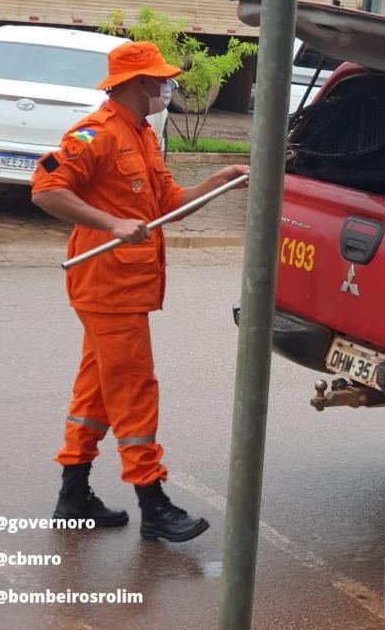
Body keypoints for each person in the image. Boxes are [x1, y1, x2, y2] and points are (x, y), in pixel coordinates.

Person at [31, 40, 249, 543]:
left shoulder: (143, 134)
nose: (167, 87)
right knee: (133, 388)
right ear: (137, 83)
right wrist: (111, 223)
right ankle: (153, 502)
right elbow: (45, 190)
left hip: (128, 285)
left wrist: (217, 181)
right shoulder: (96, 133)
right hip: (106, 285)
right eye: (161, 80)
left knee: (96, 391)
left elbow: (168, 202)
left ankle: (73, 496)